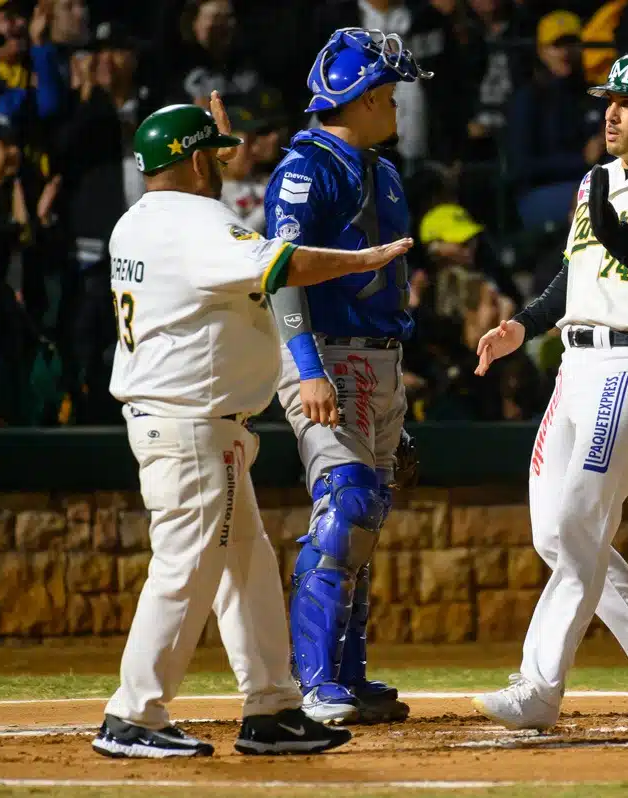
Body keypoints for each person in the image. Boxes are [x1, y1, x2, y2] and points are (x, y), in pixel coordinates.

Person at [92, 98, 412, 758]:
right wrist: (359, 261)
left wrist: (221, 162)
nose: (221, 158)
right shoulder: (197, 222)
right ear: (191, 160)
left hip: (194, 423)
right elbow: (281, 264)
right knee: (186, 568)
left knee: (249, 572)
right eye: (211, 151)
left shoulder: (139, 220)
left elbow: (227, 247)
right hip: (192, 426)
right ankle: (134, 712)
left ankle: (272, 705)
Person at [470, 54, 628, 732]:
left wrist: (618, 234)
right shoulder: (595, 182)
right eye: (609, 99)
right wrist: (520, 326)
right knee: (557, 531)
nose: (611, 112)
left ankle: (539, 687)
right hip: (574, 366)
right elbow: (573, 277)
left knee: (578, 521)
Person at [263, 27, 430, 727]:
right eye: (387, 93)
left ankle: (348, 675)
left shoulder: (380, 171)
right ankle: (313, 683)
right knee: (347, 505)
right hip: (326, 353)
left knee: (369, 518)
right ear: (358, 98)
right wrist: (307, 370)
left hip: (381, 361)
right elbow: (279, 273)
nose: (395, 104)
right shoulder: (308, 169)